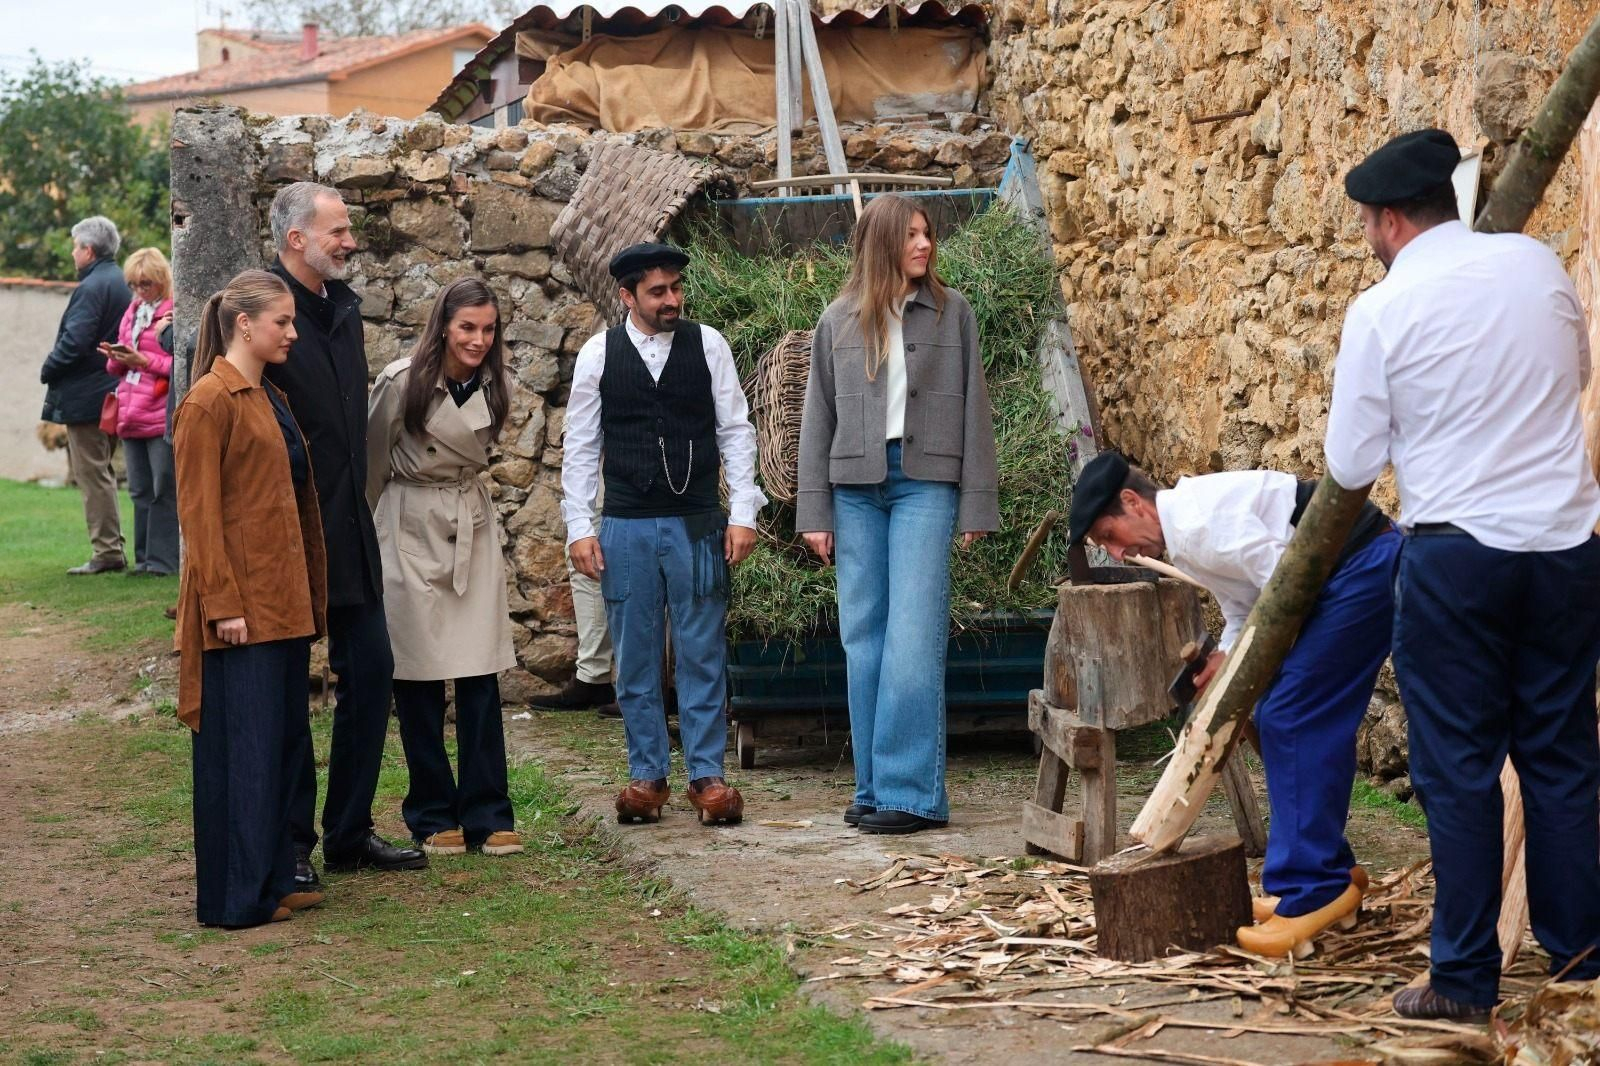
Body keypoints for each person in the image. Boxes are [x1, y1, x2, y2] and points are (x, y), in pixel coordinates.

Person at [1325, 128, 1600, 1021]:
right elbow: (1575, 374)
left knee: (1459, 768)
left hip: (1458, 556)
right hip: (1564, 544)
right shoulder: (1536, 264)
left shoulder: (1381, 310)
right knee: (1560, 756)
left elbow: (1352, 461)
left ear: (1390, 220)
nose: (1370, 239)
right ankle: (1582, 959)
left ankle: (1464, 977)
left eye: (1369, 224)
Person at [1066, 451, 1398, 956]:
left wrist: (1253, 665)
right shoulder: (1185, 533)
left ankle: (1312, 889)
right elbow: (1247, 605)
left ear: (1133, 503)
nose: (1117, 553)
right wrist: (1228, 657)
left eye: (1110, 535)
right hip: (1342, 571)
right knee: (1273, 714)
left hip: (1360, 565)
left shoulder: (1197, 524)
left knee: (1290, 716)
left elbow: (1291, 585)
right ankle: (1330, 871)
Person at [795, 193, 1000, 835]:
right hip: (854, 487)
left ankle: (911, 795)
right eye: (911, 235)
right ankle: (873, 788)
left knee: (912, 637)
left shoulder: (952, 311)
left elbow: (974, 408)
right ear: (882, 242)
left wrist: (976, 501)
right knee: (863, 641)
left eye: (926, 233)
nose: (924, 244)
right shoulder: (837, 319)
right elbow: (817, 417)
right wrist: (814, 510)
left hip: (925, 486)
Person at [561, 242, 766, 826]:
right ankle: (647, 775)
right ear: (627, 296)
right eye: (658, 291)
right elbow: (581, 445)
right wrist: (579, 526)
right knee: (635, 655)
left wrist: (743, 512)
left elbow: (735, 430)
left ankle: (707, 776)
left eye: (676, 287)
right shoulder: (598, 354)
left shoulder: (709, 344)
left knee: (703, 650)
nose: (672, 299)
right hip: (624, 525)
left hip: (698, 523)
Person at [266, 182, 425, 884]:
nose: (350, 241)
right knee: (287, 692)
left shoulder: (346, 309)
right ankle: (290, 844)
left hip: (349, 527)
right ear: (296, 238)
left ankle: (349, 833)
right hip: (290, 532)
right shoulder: (260, 311)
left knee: (371, 671)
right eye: (337, 230)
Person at [172, 269, 327, 928]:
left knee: (279, 749)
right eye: (281, 322)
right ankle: (237, 899)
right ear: (244, 324)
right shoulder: (209, 402)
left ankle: (271, 882)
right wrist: (223, 605)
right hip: (240, 614)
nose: (292, 333)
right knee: (243, 754)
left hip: (281, 605)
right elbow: (199, 517)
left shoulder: (269, 396)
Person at [367, 279, 523, 858]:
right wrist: (366, 546)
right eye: (467, 328)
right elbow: (370, 467)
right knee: (418, 677)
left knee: (481, 674)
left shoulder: (497, 384)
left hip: (468, 524)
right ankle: (432, 812)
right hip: (409, 525)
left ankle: (489, 812)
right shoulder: (401, 382)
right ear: (444, 326)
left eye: (489, 329)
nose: (478, 340)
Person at [40, 215, 127, 575]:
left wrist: (48, 368)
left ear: (88, 250)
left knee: (91, 474)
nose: (73, 253)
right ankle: (112, 547)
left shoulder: (92, 286)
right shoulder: (117, 280)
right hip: (110, 389)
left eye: (76, 247)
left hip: (89, 394)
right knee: (102, 471)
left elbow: (75, 341)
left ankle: (107, 552)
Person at [101, 247, 179, 577]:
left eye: (145, 283)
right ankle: (144, 559)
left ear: (161, 280)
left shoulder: (172, 311)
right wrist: (116, 357)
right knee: (139, 490)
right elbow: (115, 369)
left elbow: (180, 364)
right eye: (133, 284)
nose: (139, 290)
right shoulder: (133, 311)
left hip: (158, 411)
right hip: (130, 412)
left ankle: (164, 562)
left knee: (164, 488)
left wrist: (143, 361)